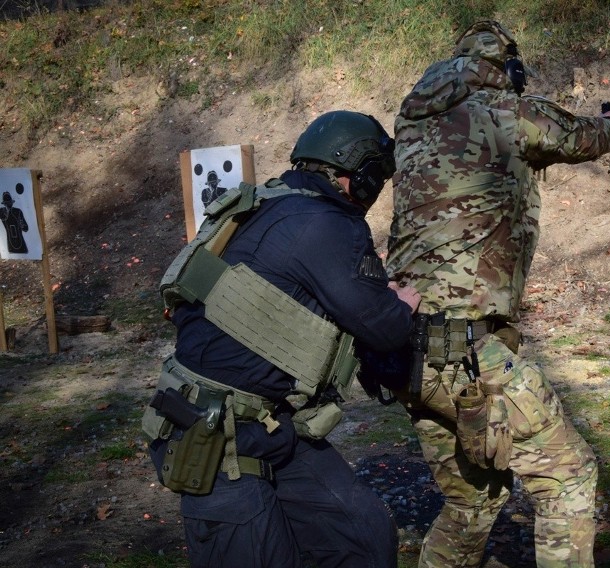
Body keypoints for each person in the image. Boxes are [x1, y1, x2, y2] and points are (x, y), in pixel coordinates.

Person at [384, 21, 610, 568]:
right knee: (566, 475)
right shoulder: (509, 113)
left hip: (403, 349)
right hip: (467, 355)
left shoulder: (411, 126)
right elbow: (578, 137)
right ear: (506, 71)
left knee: (473, 494)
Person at [143, 110, 420, 568]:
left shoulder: (265, 201)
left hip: (269, 423)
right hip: (216, 439)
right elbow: (386, 327)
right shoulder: (329, 222)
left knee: (363, 535)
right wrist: (402, 304)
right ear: (358, 175)